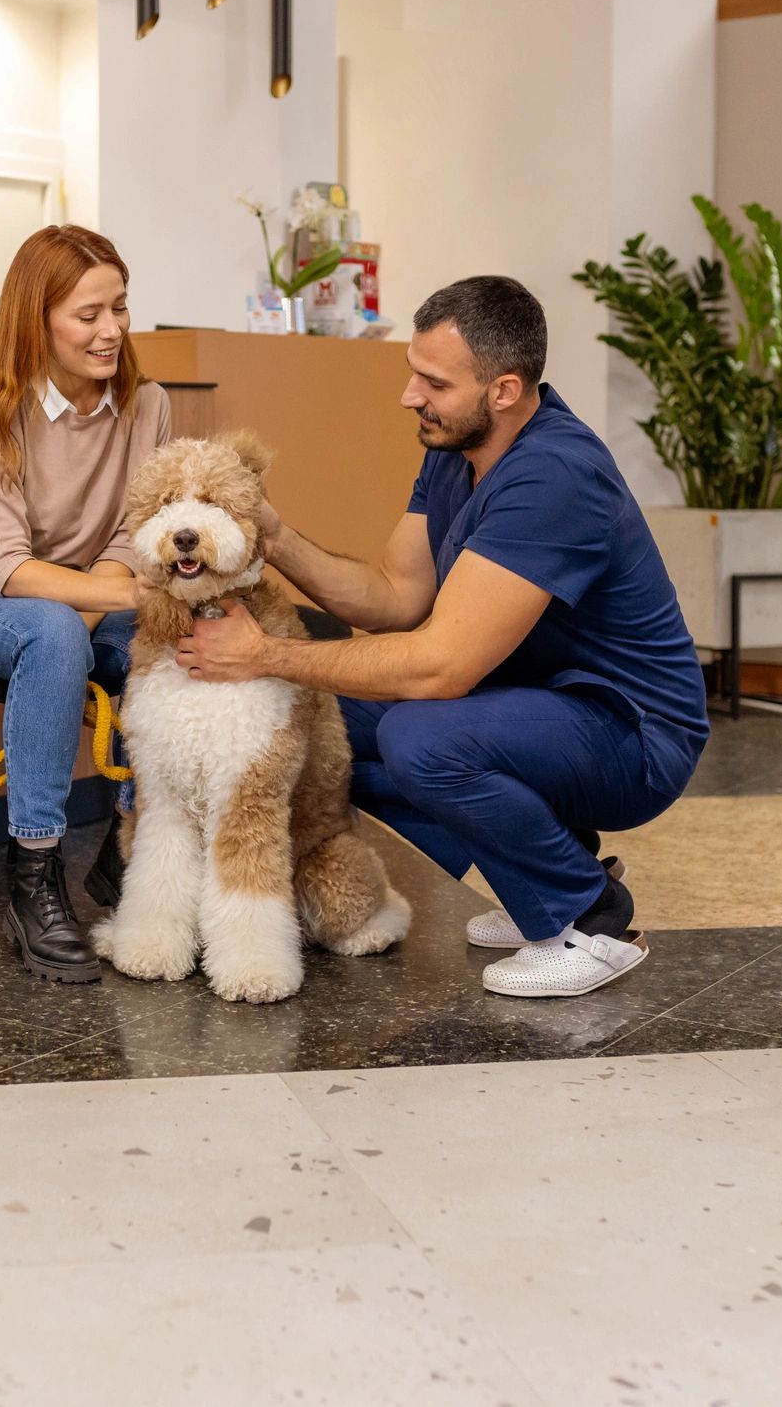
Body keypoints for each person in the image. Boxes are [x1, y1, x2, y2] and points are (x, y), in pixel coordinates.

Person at [176, 275, 709, 998]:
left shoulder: (555, 475)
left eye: (433, 381)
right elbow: (395, 598)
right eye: (412, 373)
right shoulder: (454, 449)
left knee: (422, 739)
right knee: (317, 725)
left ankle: (591, 919)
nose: (410, 396)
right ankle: (552, 876)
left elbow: (439, 670)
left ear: (505, 390)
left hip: (634, 736)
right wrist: (273, 537)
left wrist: (264, 655)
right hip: (539, 707)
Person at [0, 225, 163, 986]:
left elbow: (127, 532)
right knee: (52, 629)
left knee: (182, 628)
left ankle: (134, 849)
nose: (111, 329)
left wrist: (94, 614)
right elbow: (11, 572)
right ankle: (34, 877)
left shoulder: (147, 406)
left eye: (119, 307)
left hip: (70, 600)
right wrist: (100, 606)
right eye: (89, 314)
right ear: (37, 318)